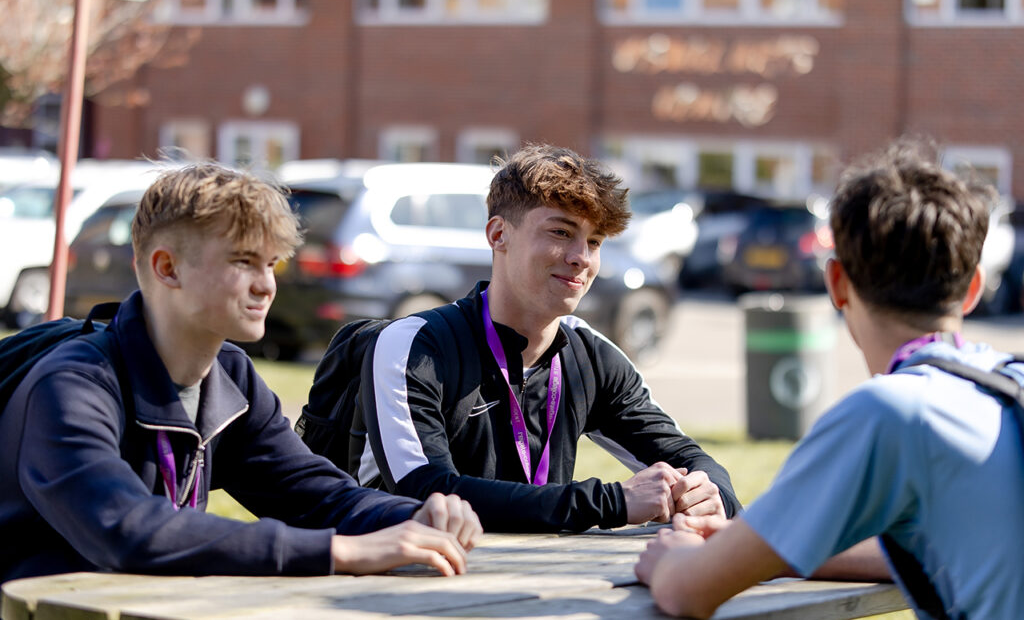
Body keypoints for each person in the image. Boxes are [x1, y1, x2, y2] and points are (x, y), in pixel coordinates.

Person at [0, 164, 481, 584]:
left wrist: (417, 515)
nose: (266, 284)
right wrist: (341, 553)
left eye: (271, 263)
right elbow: (124, 527)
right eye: (243, 261)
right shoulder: (72, 383)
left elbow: (317, 499)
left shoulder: (230, 374)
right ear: (167, 268)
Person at [635, 140, 1024, 619]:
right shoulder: (1009, 383)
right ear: (973, 290)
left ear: (836, 283)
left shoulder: (893, 412)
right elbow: (942, 544)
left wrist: (675, 561)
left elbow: (686, 593)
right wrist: (754, 547)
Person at [353, 144, 740, 532]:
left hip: (535, 579)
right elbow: (428, 493)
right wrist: (611, 503)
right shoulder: (415, 346)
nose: (581, 258)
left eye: (594, 242)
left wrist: (711, 493)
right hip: (404, 582)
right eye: (561, 232)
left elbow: (690, 460)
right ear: (499, 234)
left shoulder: (592, 356)